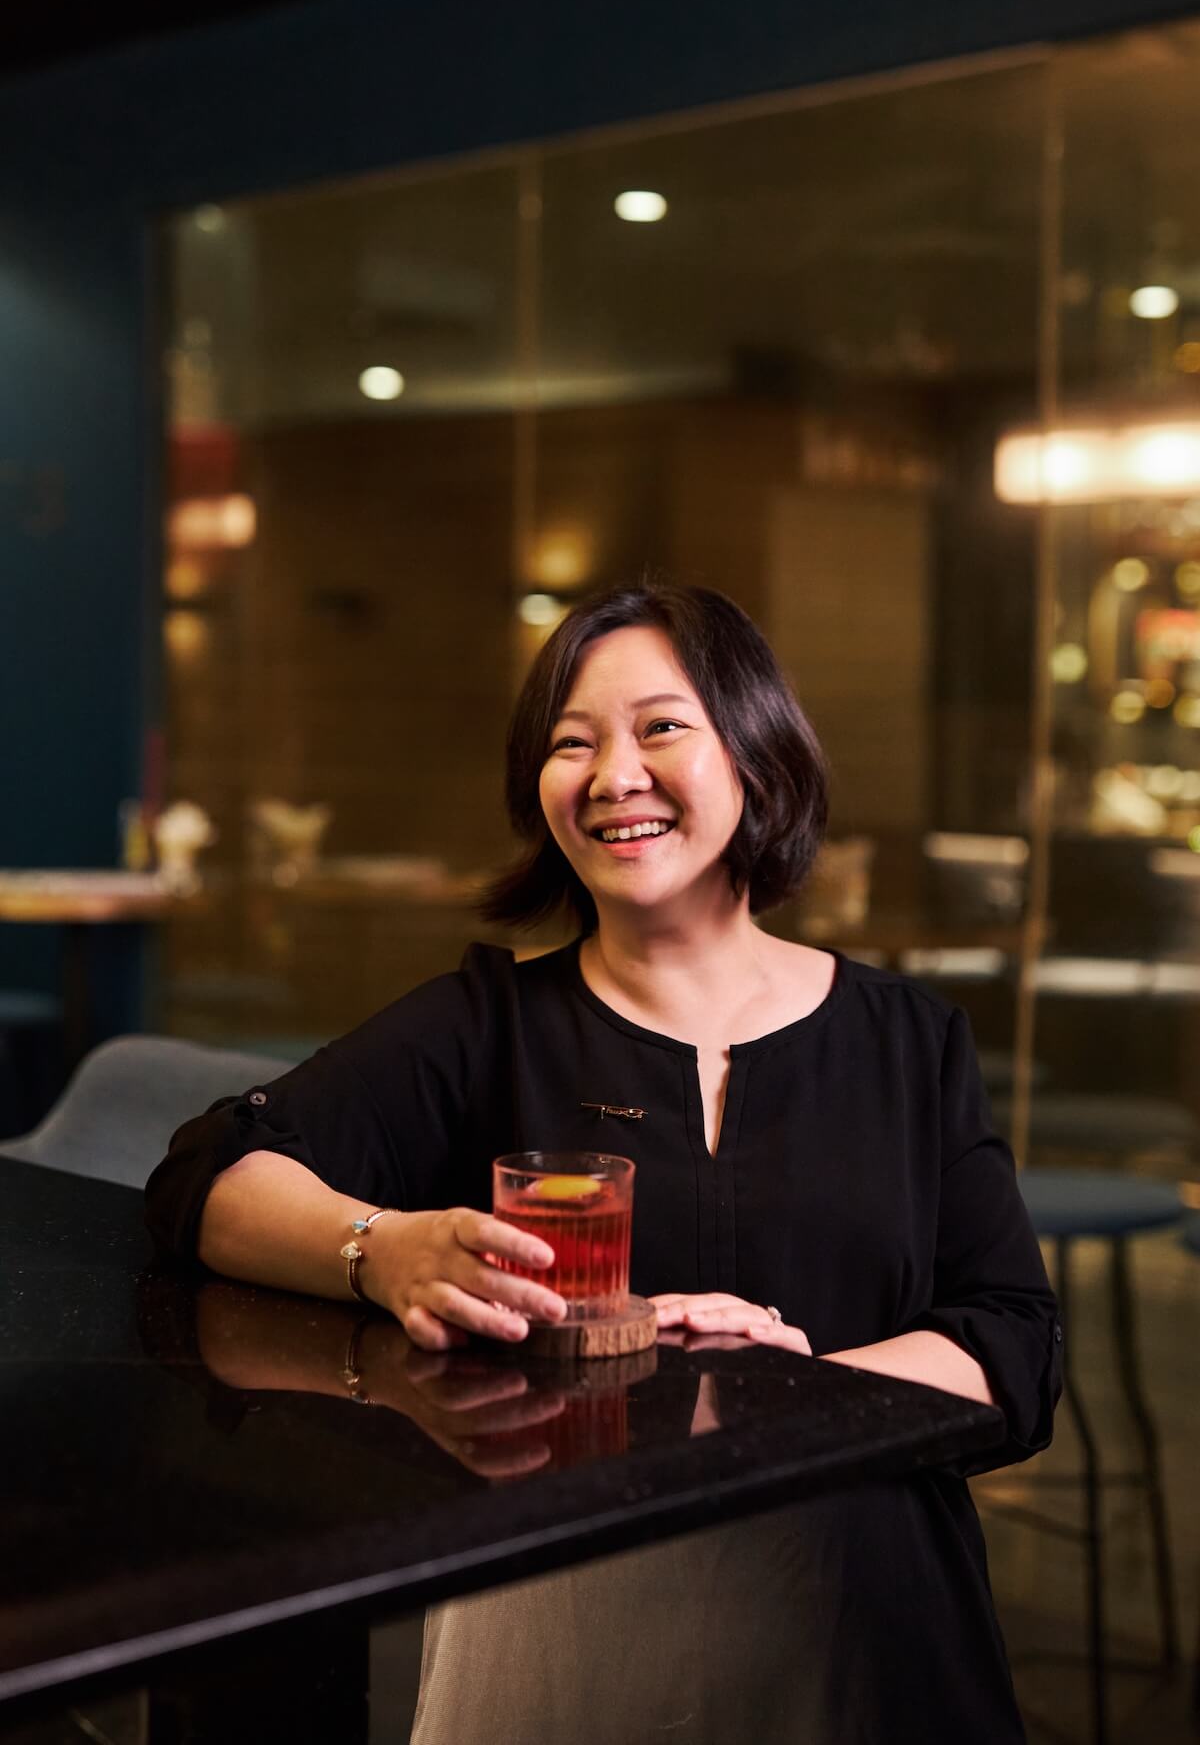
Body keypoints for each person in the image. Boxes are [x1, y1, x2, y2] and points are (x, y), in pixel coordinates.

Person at [146, 582, 1062, 1744]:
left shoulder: (906, 1039)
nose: (610, 774)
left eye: (660, 727)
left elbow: (1015, 1345)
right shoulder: (486, 1026)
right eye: (569, 744)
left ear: (758, 753)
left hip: (858, 1608)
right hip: (558, 1629)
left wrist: (798, 1394)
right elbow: (207, 1172)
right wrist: (386, 1249)